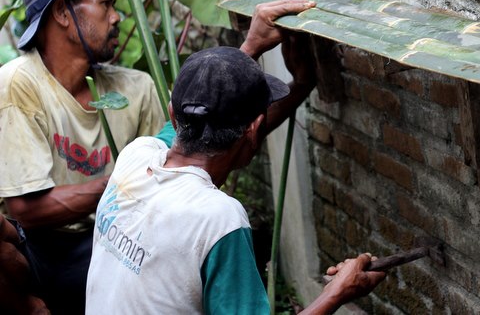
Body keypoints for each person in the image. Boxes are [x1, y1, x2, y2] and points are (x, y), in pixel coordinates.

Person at [0, 0, 317, 313]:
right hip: (53, 246)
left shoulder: (134, 87)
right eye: (105, 4)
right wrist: (126, 184)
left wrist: (286, 74)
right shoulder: (18, 84)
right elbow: (25, 209)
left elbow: (205, 144)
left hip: (122, 241)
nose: (117, 17)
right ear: (61, 13)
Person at [86, 46, 385, 314]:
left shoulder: (136, 155)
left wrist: (279, 67)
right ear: (254, 130)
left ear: (174, 116)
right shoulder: (218, 219)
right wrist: (336, 293)